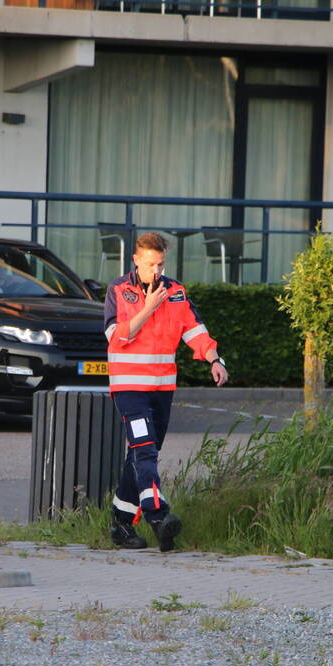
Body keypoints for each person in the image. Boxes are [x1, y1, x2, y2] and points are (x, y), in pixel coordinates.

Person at [104, 232, 229, 552]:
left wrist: (215, 359)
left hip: (162, 387)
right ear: (135, 260)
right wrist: (147, 307)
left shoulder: (175, 291)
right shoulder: (119, 290)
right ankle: (158, 516)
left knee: (141, 454)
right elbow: (118, 337)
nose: (155, 271)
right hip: (129, 386)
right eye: (149, 264)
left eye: (160, 264)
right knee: (144, 449)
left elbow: (196, 331)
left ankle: (120, 524)